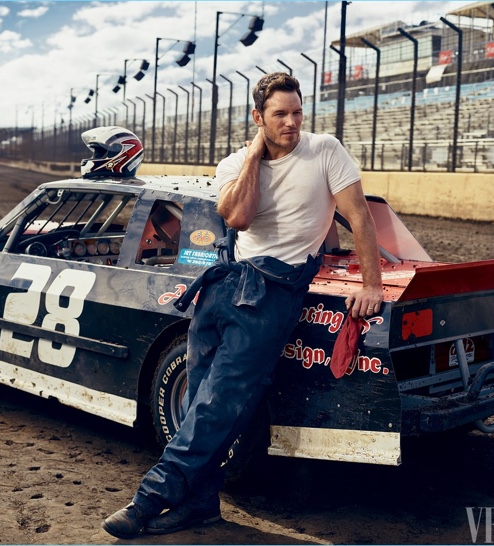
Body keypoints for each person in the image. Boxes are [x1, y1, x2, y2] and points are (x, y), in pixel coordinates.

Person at [102, 72, 384, 538]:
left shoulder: (325, 150)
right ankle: (200, 505)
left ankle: (151, 497)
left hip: (274, 294)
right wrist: (256, 154)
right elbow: (237, 216)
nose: (293, 122)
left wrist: (371, 284)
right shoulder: (235, 162)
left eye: (297, 111)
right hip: (225, 286)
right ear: (259, 118)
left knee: (219, 404)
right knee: (196, 399)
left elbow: (360, 218)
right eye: (280, 114)